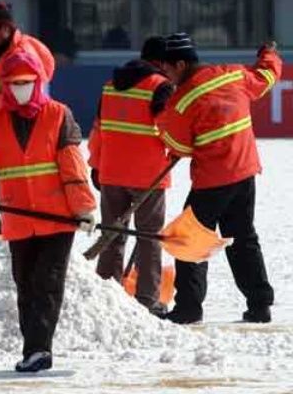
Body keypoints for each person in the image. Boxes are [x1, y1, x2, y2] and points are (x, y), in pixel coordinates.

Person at [0, 51, 96, 372]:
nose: (21, 88)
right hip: (19, 218)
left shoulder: (58, 115)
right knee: (25, 285)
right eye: (14, 83)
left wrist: (84, 208)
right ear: (5, 86)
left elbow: (73, 166)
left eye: (27, 82)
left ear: (39, 82)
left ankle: (39, 350)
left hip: (57, 219)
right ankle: (33, 349)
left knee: (47, 283)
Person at [158, 32, 280, 324]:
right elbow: (267, 76)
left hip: (212, 180)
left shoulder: (181, 102)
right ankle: (260, 304)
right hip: (245, 171)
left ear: (180, 64)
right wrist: (269, 53)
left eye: (166, 68)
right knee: (242, 237)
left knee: (190, 239)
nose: (165, 75)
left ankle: (188, 307)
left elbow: (180, 148)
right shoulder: (233, 75)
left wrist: (164, 115)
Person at [87, 36, 174, 317]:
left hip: (112, 173)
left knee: (112, 235)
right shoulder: (161, 87)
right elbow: (171, 131)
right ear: (161, 62)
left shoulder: (110, 86)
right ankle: (148, 300)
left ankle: (104, 296)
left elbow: (98, 130)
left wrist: (96, 166)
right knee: (149, 238)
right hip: (149, 177)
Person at [0, 0, 55, 231]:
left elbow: (5, 97)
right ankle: (6, 238)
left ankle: (13, 238)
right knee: (0, 192)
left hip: (10, 129)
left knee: (11, 194)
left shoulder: (19, 54)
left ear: (4, 28)